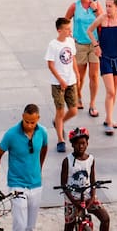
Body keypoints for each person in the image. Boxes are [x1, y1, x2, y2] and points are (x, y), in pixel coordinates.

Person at [0, 105, 50, 231]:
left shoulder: (43, 132)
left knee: (30, 227)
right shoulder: (11, 134)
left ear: (38, 118)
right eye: (26, 121)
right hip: (17, 184)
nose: (29, 125)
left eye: (33, 122)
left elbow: (44, 148)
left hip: (36, 184)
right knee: (20, 225)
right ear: (22, 117)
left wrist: (40, 167)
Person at [89, 0, 117, 134]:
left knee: (114, 92)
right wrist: (95, 45)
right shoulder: (102, 18)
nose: (107, 8)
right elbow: (89, 31)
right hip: (105, 57)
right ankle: (109, 123)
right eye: (106, 5)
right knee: (110, 91)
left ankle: (108, 117)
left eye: (110, 6)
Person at [59, 128, 110, 231]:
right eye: (77, 144)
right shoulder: (67, 161)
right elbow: (64, 185)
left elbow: (92, 181)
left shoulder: (91, 159)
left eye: (83, 143)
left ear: (87, 143)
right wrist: (74, 202)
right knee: (69, 226)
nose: (81, 146)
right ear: (72, 145)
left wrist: (92, 198)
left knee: (105, 218)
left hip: (88, 197)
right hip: (72, 199)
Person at [63, 0, 101, 119]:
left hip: (94, 44)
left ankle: (92, 104)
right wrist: (69, 35)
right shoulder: (75, 6)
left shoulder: (95, 5)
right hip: (80, 45)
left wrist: (95, 9)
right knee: (79, 75)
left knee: (94, 75)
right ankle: (78, 97)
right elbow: (65, 20)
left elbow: (102, 20)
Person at [45, 17, 78, 154]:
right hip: (58, 83)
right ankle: (60, 140)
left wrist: (77, 74)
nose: (69, 31)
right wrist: (60, 80)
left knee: (73, 110)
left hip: (71, 80)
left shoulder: (70, 42)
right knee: (60, 110)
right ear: (59, 30)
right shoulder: (53, 45)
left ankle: (58, 122)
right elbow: (50, 64)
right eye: (67, 29)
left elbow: (73, 58)